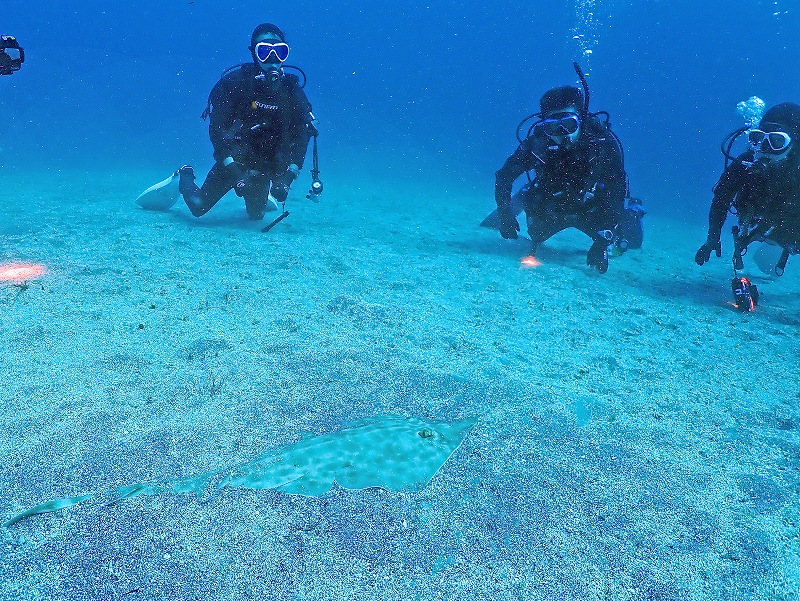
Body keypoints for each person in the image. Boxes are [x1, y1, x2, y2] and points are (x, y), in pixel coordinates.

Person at [493, 69, 636, 274]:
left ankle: (635, 210)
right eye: (553, 127)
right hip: (553, 205)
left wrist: (603, 242)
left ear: (581, 119)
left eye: (569, 124)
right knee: (537, 234)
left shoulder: (603, 142)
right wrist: (505, 215)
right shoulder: (538, 143)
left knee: (627, 239)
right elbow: (504, 175)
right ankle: (524, 195)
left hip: (592, 205)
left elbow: (617, 187)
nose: (562, 134)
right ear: (544, 126)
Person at [178, 23, 316, 220]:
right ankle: (184, 175)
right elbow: (217, 129)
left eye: (279, 51)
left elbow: (303, 134)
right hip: (234, 161)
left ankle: (259, 198)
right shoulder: (235, 84)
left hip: (263, 165)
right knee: (198, 207)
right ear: (254, 54)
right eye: (265, 51)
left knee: (256, 216)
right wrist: (233, 171)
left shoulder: (292, 91)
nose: (272, 60)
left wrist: (287, 178)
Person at [695, 102, 800, 283]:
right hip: (763, 224)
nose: (765, 147)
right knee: (770, 255)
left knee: (782, 246)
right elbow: (721, 199)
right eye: (758, 138)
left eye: (777, 141)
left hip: (790, 229)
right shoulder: (744, 165)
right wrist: (712, 237)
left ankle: (778, 245)